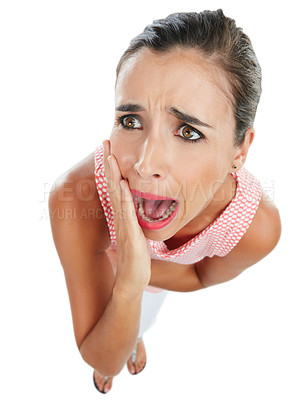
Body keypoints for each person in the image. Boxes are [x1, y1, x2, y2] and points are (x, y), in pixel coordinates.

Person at [49, 9, 281, 394]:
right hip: (110, 268)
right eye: (130, 121)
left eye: (188, 131)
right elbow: (98, 357)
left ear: (240, 149)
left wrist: (138, 276)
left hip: (155, 280)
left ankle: (133, 334)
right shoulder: (75, 201)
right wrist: (123, 286)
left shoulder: (256, 228)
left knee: (140, 316)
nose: (145, 164)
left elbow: (198, 275)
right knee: (109, 338)